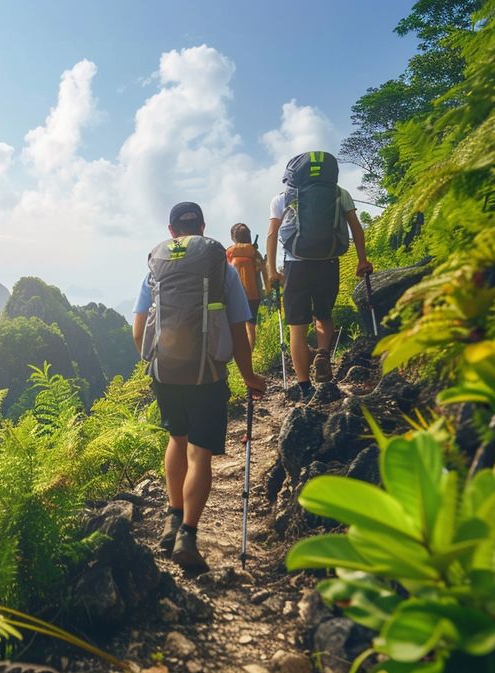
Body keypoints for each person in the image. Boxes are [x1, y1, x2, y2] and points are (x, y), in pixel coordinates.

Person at [132, 201, 267, 570]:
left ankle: (171, 519)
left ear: (172, 231)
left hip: (165, 374)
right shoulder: (219, 267)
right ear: (203, 228)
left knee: (176, 438)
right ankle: (187, 536)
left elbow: (138, 329)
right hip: (207, 375)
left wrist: (155, 364)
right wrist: (249, 377)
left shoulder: (155, 268)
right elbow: (239, 330)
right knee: (199, 453)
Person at [266, 151, 372, 401]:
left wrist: (271, 270)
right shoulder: (340, 193)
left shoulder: (282, 198)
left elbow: (272, 234)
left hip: (296, 265)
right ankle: (323, 352)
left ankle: (304, 386)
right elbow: (356, 227)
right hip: (328, 262)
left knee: (297, 327)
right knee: (324, 316)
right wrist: (362, 259)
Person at [225, 222, 270, 350]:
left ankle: (236, 359)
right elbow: (264, 273)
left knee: (236, 328)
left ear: (234, 238)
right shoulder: (254, 253)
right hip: (253, 295)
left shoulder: (229, 253)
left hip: (234, 295)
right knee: (251, 328)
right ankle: (249, 356)